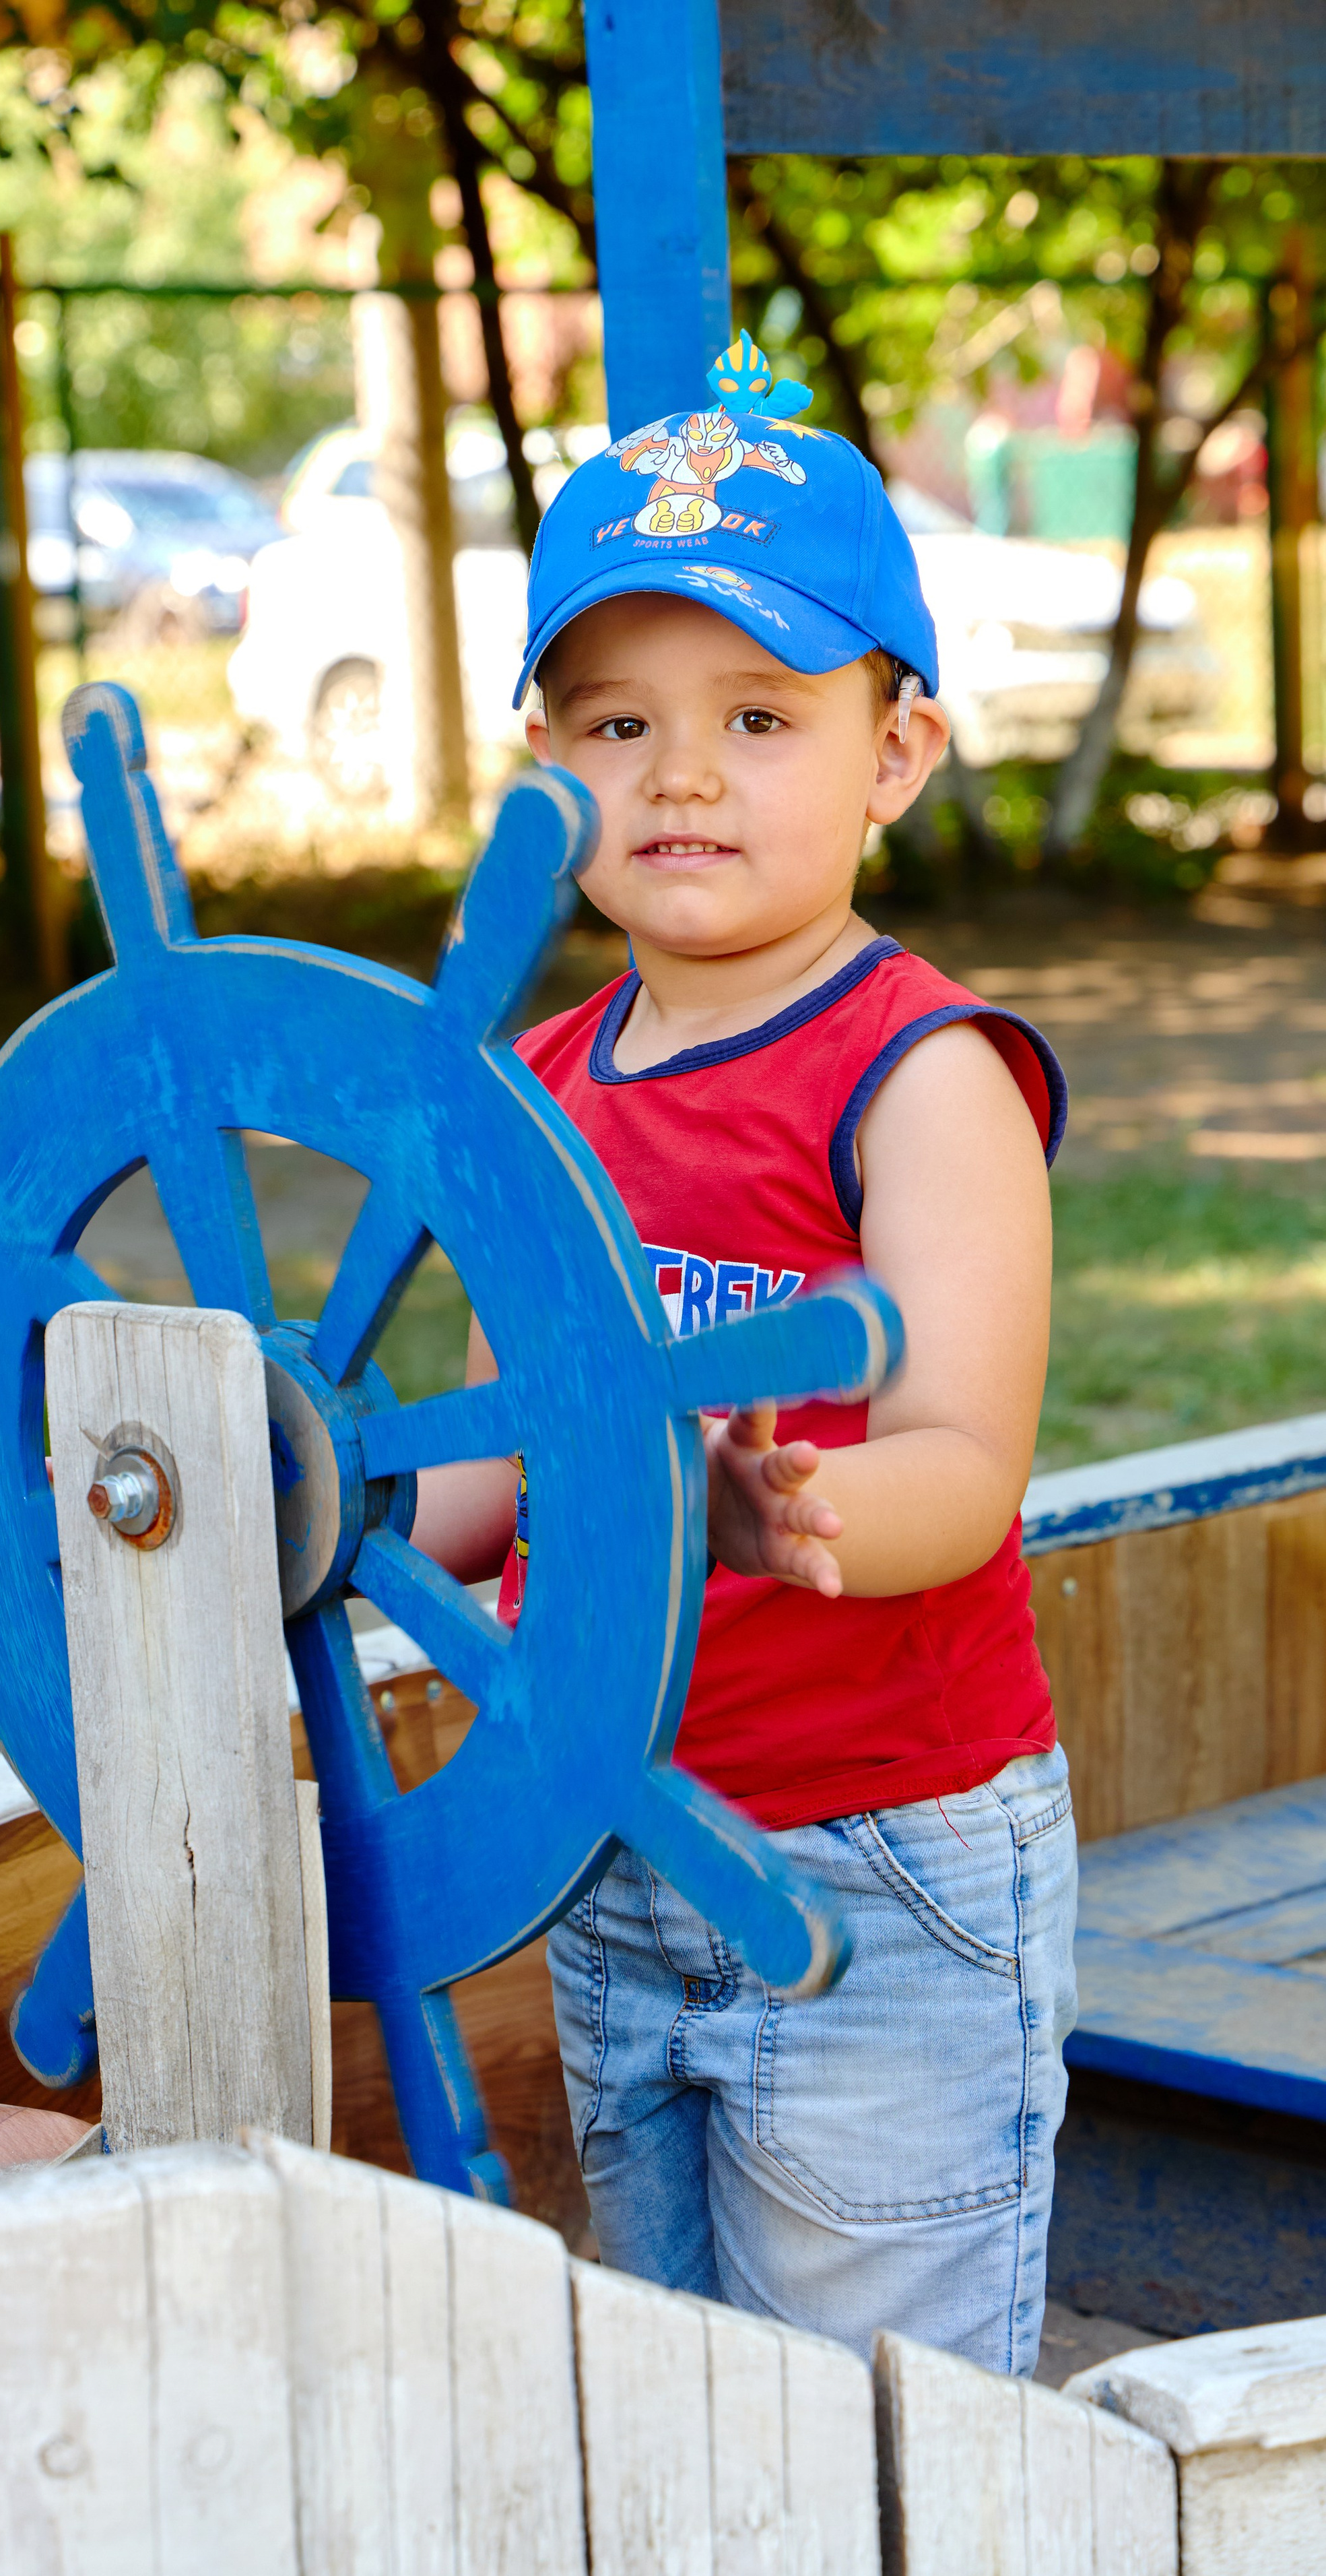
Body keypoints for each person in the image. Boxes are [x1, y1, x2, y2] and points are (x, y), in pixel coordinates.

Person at [409, 337, 1075, 2377]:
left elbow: (964, 1452)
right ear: (545, 764)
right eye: (616, 720)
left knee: (887, 2414)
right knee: (687, 2386)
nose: (681, 774)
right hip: (609, 1835)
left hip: (881, 1864)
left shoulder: (918, 1076)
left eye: (761, 717)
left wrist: (802, 1510)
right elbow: (488, 1463)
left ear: (896, 753)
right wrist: (320, 1486)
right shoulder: (534, 1096)